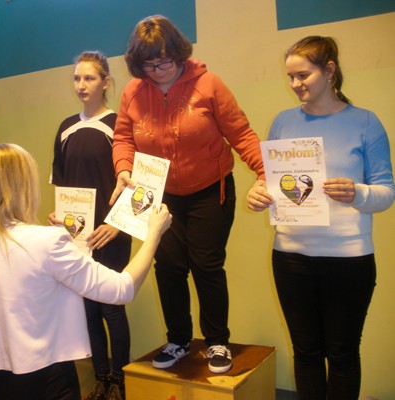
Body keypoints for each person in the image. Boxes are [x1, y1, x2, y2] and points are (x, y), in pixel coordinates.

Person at [0, 143, 172, 400]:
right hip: (50, 382)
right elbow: (123, 288)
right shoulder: (47, 242)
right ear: (24, 186)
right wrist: (154, 235)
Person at [110, 15, 265, 374]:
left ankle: (217, 342)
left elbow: (241, 134)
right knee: (168, 267)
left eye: (164, 61)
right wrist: (123, 169)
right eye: (148, 64)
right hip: (160, 194)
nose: (157, 70)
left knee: (206, 265)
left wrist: (265, 174)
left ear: (179, 52)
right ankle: (178, 339)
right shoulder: (133, 91)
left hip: (210, 189)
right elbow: (123, 137)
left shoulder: (208, 85)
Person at [247, 36, 394, 399]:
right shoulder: (283, 122)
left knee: (342, 355)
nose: (295, 84)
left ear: (329, 71)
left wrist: (357, 193)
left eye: (303, 75)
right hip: (291, 257)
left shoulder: (365, 122)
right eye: (290, 77)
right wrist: (258, 192)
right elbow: (271, 180)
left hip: (349, 259)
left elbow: (386, 191)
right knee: (306, 352)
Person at [49, 50, 132, 400]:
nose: (81, 85)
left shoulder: (120, 126)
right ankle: (101, 380)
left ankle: (120, 383)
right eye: (77, 78)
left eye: (89, 78)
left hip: (111, 234)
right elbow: (61, 185)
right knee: (88, 309)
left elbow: (138, 186)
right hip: (78, 238)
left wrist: (116, 225)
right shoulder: (66, 127)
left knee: (111, 308)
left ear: (106, 82)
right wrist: (59, 218)